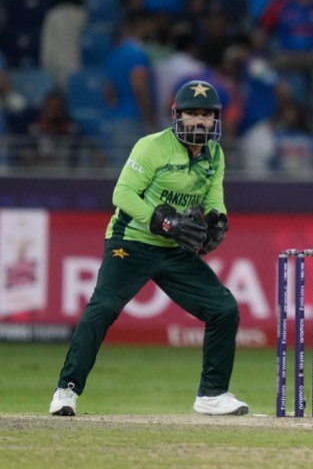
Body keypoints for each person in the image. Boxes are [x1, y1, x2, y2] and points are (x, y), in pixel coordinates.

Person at [49, 80, 248, 417]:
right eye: (191, 114)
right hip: (132, 242)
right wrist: (162, 221)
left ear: (216, 120)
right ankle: (66, 390)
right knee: (104, 307)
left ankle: (212, 395)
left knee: (224, 309)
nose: (199, 122)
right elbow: (122, 195)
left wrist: (218, 219)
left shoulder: (215, 154)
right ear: (176, 115)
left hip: (173, 249)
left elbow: (214, 197)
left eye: (206, 115)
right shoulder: (152, 146)